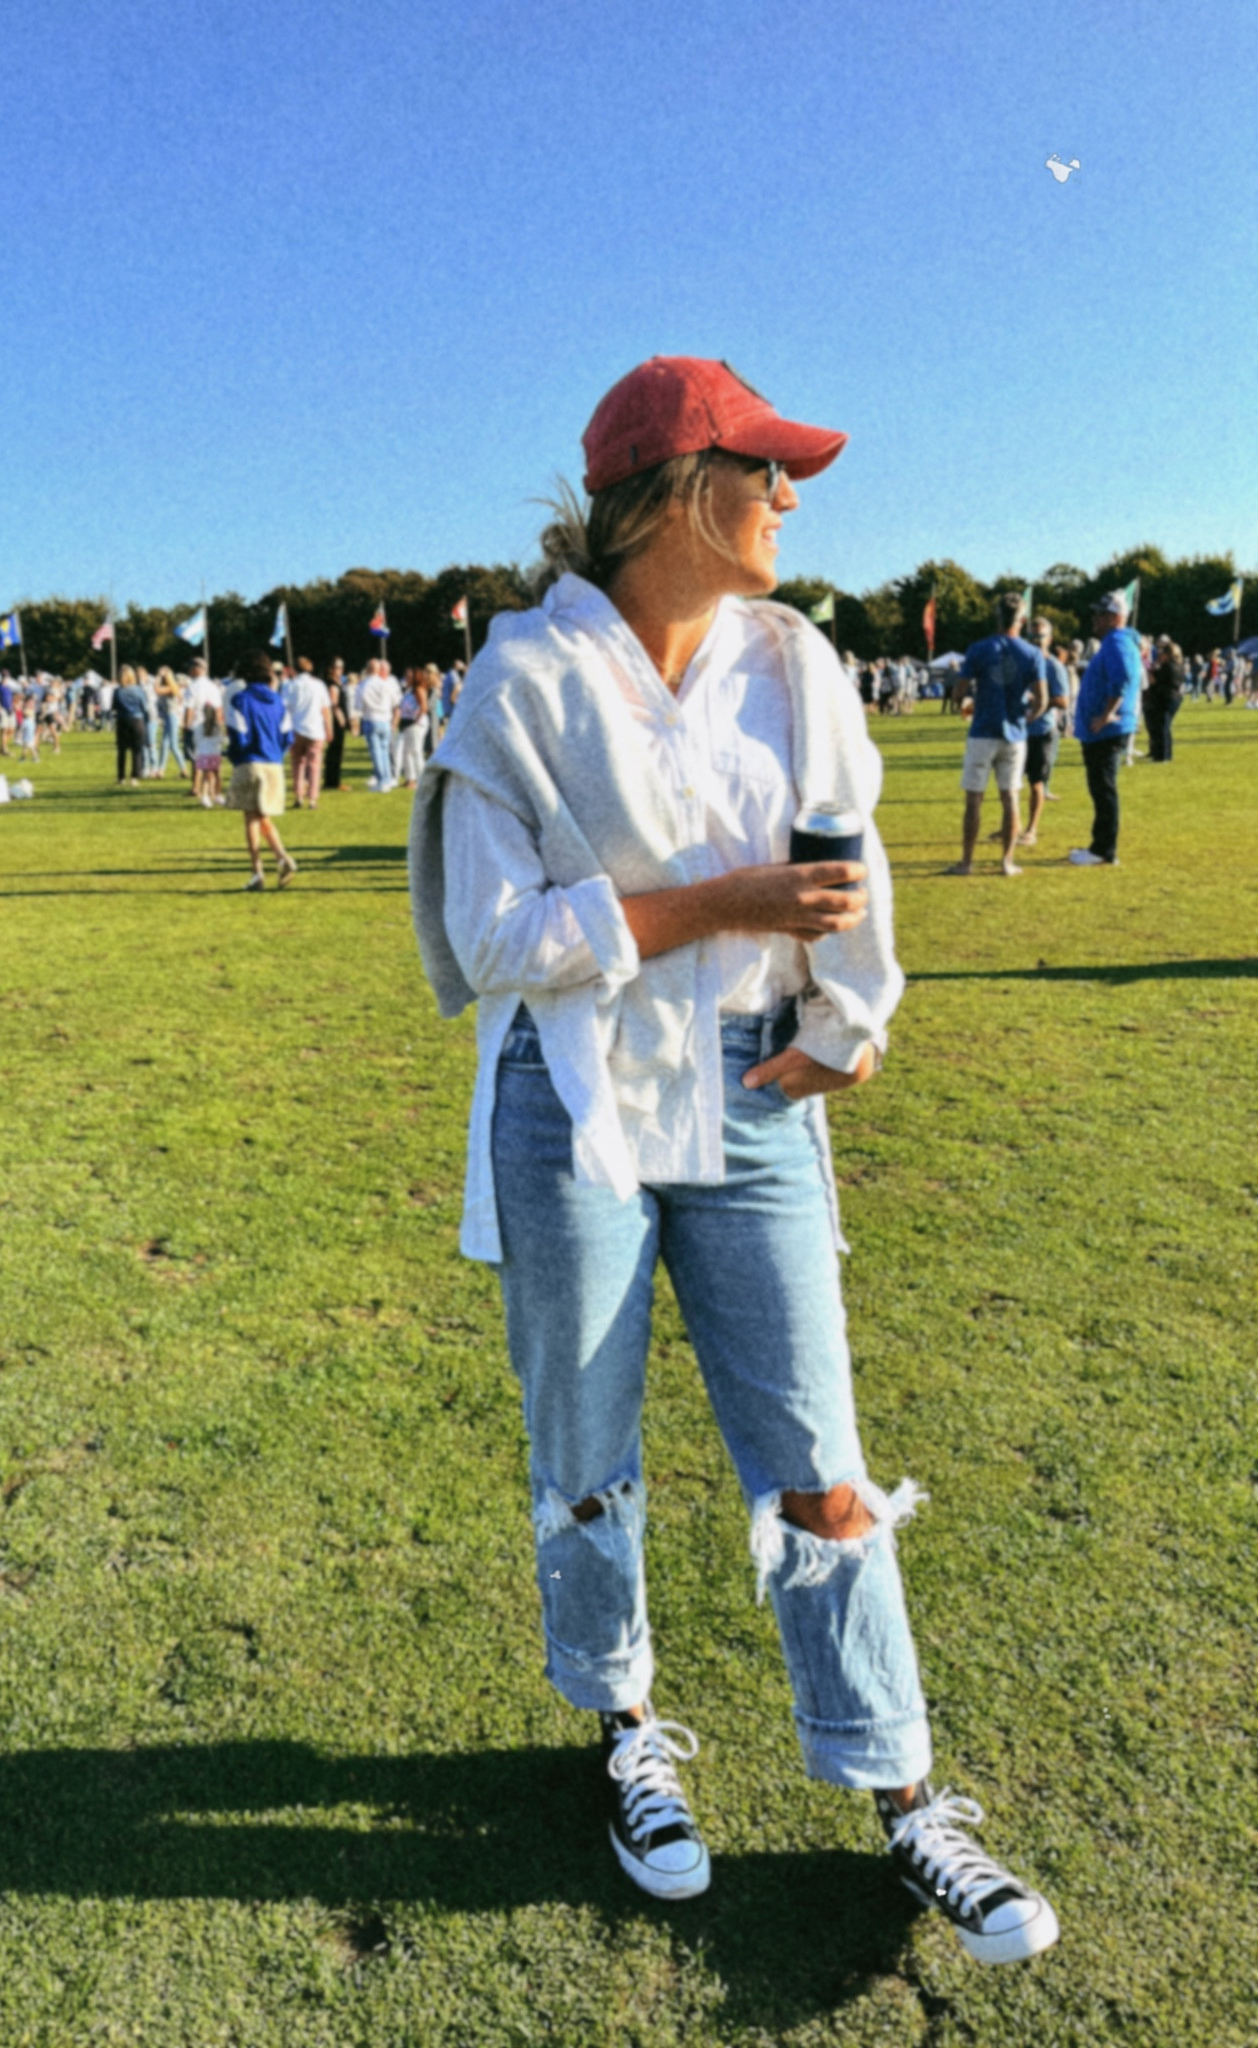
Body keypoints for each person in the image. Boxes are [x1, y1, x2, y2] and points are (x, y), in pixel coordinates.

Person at [409, 355, 1058, 1966]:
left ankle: (904, 1794)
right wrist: (719, 908)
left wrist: (851, 1018)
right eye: (762, 470)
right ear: (672, 490)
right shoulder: (519, 683)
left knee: (818, 1453)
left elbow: (848, 867)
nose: (790, 498)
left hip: (758, 1089)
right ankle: (624, 1724)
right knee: (587, 1445)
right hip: (573, 1095)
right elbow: (487, 938)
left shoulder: (799, 660)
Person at [945, 594, 1047, 877]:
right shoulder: (1032, 653)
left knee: (974, 800)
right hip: (1014, 734)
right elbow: (1042, 700)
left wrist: (962, 705)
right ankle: (1007, 861)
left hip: (982, 731)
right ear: (1022, 620)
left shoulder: (979, 649)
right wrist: (1027, 718)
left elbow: (959, 690)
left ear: (997, 616)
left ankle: (966, 862)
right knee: (1010, 797)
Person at [1070, 591, 1142, 867]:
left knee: (1104, 789)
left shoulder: (1117, 642)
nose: (1094, 619)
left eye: (1100, 614)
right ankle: (1099, 845)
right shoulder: (1115, 642)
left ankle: (1103, 849)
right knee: (1101, 788)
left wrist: (1106, 715)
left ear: (1113, 617)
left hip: (1107, 729)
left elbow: (1121, 679)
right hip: (1105, 728)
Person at [225, 650, 297, 891]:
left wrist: (235, 756)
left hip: (250, 762)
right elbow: (288, 736)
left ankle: (258, 871)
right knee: (262, 816)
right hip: (274, 764)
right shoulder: (278, 700)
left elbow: (239, 735)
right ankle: (281, 858)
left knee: (251, 819)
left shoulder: (240, 699)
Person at [1013, 618, 1071, 845]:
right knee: (1011, 783)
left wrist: (1038, 701)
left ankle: (1031, 830)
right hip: (1018, 730)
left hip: (1041, 731)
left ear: (1050, 639)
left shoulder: (1053, 666)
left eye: (1040, 637)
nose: (1035, 642)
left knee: (1036, 783)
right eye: (1031, 637)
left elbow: (1064, 700)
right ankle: (1011, 826)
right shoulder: (1021, 662)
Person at [285, 656, 332, 809]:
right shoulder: (318, 685)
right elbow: (325, 709)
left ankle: (299, 796)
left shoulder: (290, 685)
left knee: (297, 764)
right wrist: (329, 728)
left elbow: (284, 708)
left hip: (296, 728)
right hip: (315, 729)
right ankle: (312, 799)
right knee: (315, 765)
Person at [356, 658, 401, 790]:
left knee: (376, 753)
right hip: (385, 720)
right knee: (384, 752)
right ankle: (387, 778)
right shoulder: (386, 684)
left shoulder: (363, 685)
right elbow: (395, 702)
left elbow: (358, 706)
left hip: (371, 718)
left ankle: (382, 781)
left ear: (367, 669)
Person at [1142, 636, 1185, 762]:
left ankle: (1162, 756)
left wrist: (1154, 680)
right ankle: (1165, 754)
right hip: (1173, 698)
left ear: (1168, 654)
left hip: (1166, 698)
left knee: (1162, 728)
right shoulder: (1178, 665)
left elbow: (1163, 683)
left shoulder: (1168, 667)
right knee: (1164, 727)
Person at [113, 665, 150, 786]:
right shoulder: (139, 690)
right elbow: (145, 706)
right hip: (137, 720)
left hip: (123, 720)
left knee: (121, 750)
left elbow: (114, 707)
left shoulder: (118, 691)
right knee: (137, 750)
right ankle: (134, 776)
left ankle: (121, 777)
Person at [321, 658, 350, 791]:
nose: (341, 670)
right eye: (338, 667)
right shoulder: (332, 684)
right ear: (331, 669)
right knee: (335, 751)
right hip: (336, 721)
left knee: (335, 751)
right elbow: (334, 703)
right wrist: (341, 718)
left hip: (336, 720)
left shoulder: (336, 682)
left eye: (342, 667)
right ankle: (333, 781)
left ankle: (331, 780)